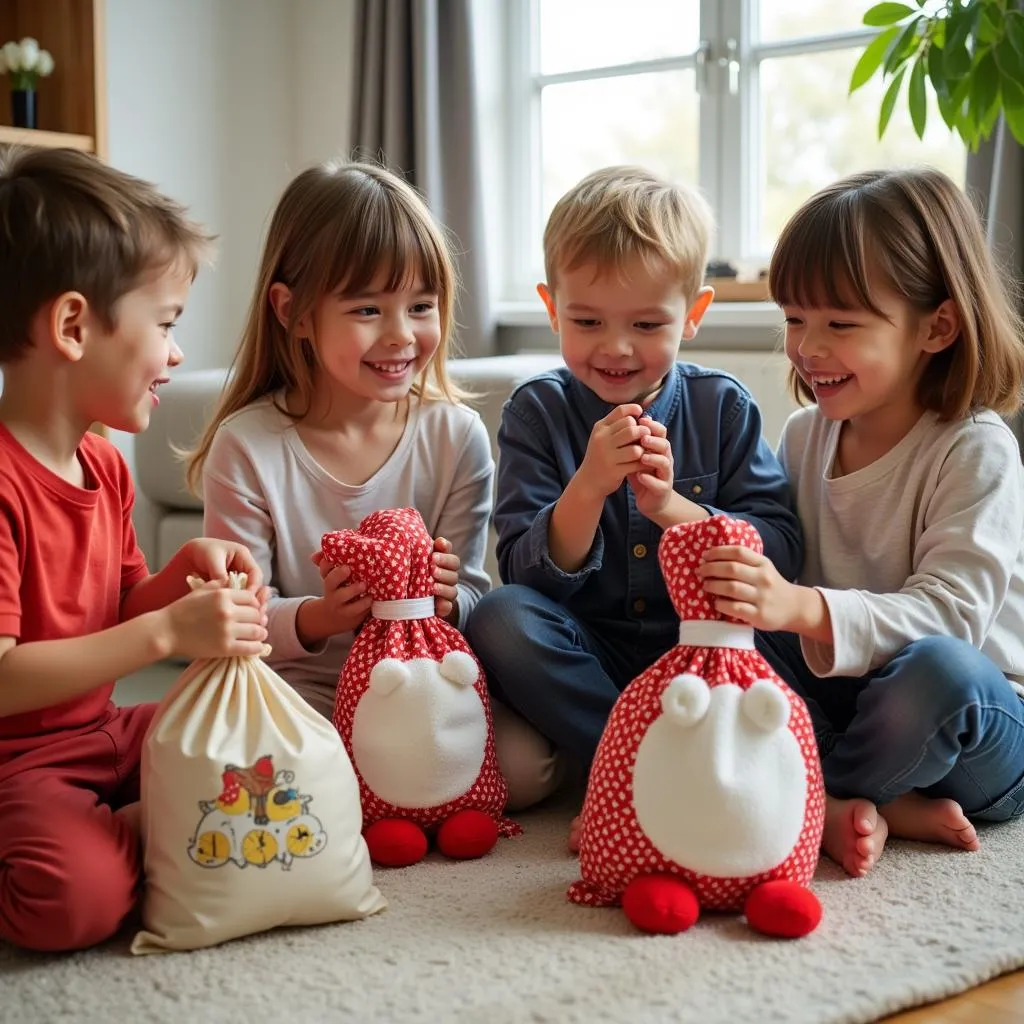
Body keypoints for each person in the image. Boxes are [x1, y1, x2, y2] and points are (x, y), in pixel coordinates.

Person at [697, 167, 1024, 878]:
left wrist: (800, 605)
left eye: (840, 324)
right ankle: (852, 799)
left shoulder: (975, 448)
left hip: (970, 725)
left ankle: (804, 794)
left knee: (940, 671)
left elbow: (951, 621)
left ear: (936, 326)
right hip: (850, 703)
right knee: (716, 623)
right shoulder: (805, 435)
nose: (807, 348)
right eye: (793, 319)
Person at [464, 166, 803, 846]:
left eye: (647, 323)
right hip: (592, 655)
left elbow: (782, 549)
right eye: (587, 321)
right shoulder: (539, 412)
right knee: (501, 620)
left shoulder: (722, 406)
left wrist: (674, 508)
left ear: (695, 316)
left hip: (707, 653)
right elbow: (524, 572)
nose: (615, 348)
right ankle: (645, 767)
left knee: (791, 650)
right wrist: (588, 486)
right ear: (552, 308)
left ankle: (686, 770)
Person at [0, 146, 269, 952]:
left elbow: (115, 609)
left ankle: (142, 829)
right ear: (74, 326)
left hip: (102, 733)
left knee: (264, 761)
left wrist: (176, 586)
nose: (177, 354)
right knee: (70, 904)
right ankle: (134, 841)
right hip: (18, 761)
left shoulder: (104, 464)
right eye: (166, 324)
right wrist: (163, 636)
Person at [186, 159, 530, 778]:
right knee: (258, 763)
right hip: (301, 687)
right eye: (368, 309)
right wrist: (322, 616)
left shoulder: (456, 436)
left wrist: (451, 601)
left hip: (426, 684)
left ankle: (375, 786)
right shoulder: (247, 446)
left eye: (421, 306)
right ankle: (367, 786)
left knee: (528, 766)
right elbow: (240, 614)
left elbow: (477, 592)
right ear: (293, 312)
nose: (402, 335)